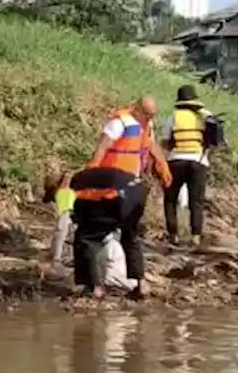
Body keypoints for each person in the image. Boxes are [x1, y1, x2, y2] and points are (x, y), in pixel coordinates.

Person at [70, 96, 172, 298]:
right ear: (137, 109)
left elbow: (151, 146)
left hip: (118, 189)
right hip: (117, 187)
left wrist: (162, 163)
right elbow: (103, 146)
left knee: (89, 237)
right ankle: (140, 285)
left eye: (153, 115)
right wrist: (93, 168)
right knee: (130, 236)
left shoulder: (144, 125)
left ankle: (95, 287)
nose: (150, 118)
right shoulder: (119, 122)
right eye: (148, 114)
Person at [41, 173, 138, 293]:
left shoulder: (65, 193)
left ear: (56, 188)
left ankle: (133, 285)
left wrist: (55, 258)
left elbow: (61, 228)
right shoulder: (83, 183)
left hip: (104, 243)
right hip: (111, 231)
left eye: (53, 197)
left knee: (109, 279)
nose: (55, 202)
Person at [160, 85, 213, 247]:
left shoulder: (173, 117)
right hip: (199, 161)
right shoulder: (207, 116)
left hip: (176, 161)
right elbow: (213, 141)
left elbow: (165, 142)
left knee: (170, 199)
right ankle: (195, 236)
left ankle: (173, 235)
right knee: (196, 201)